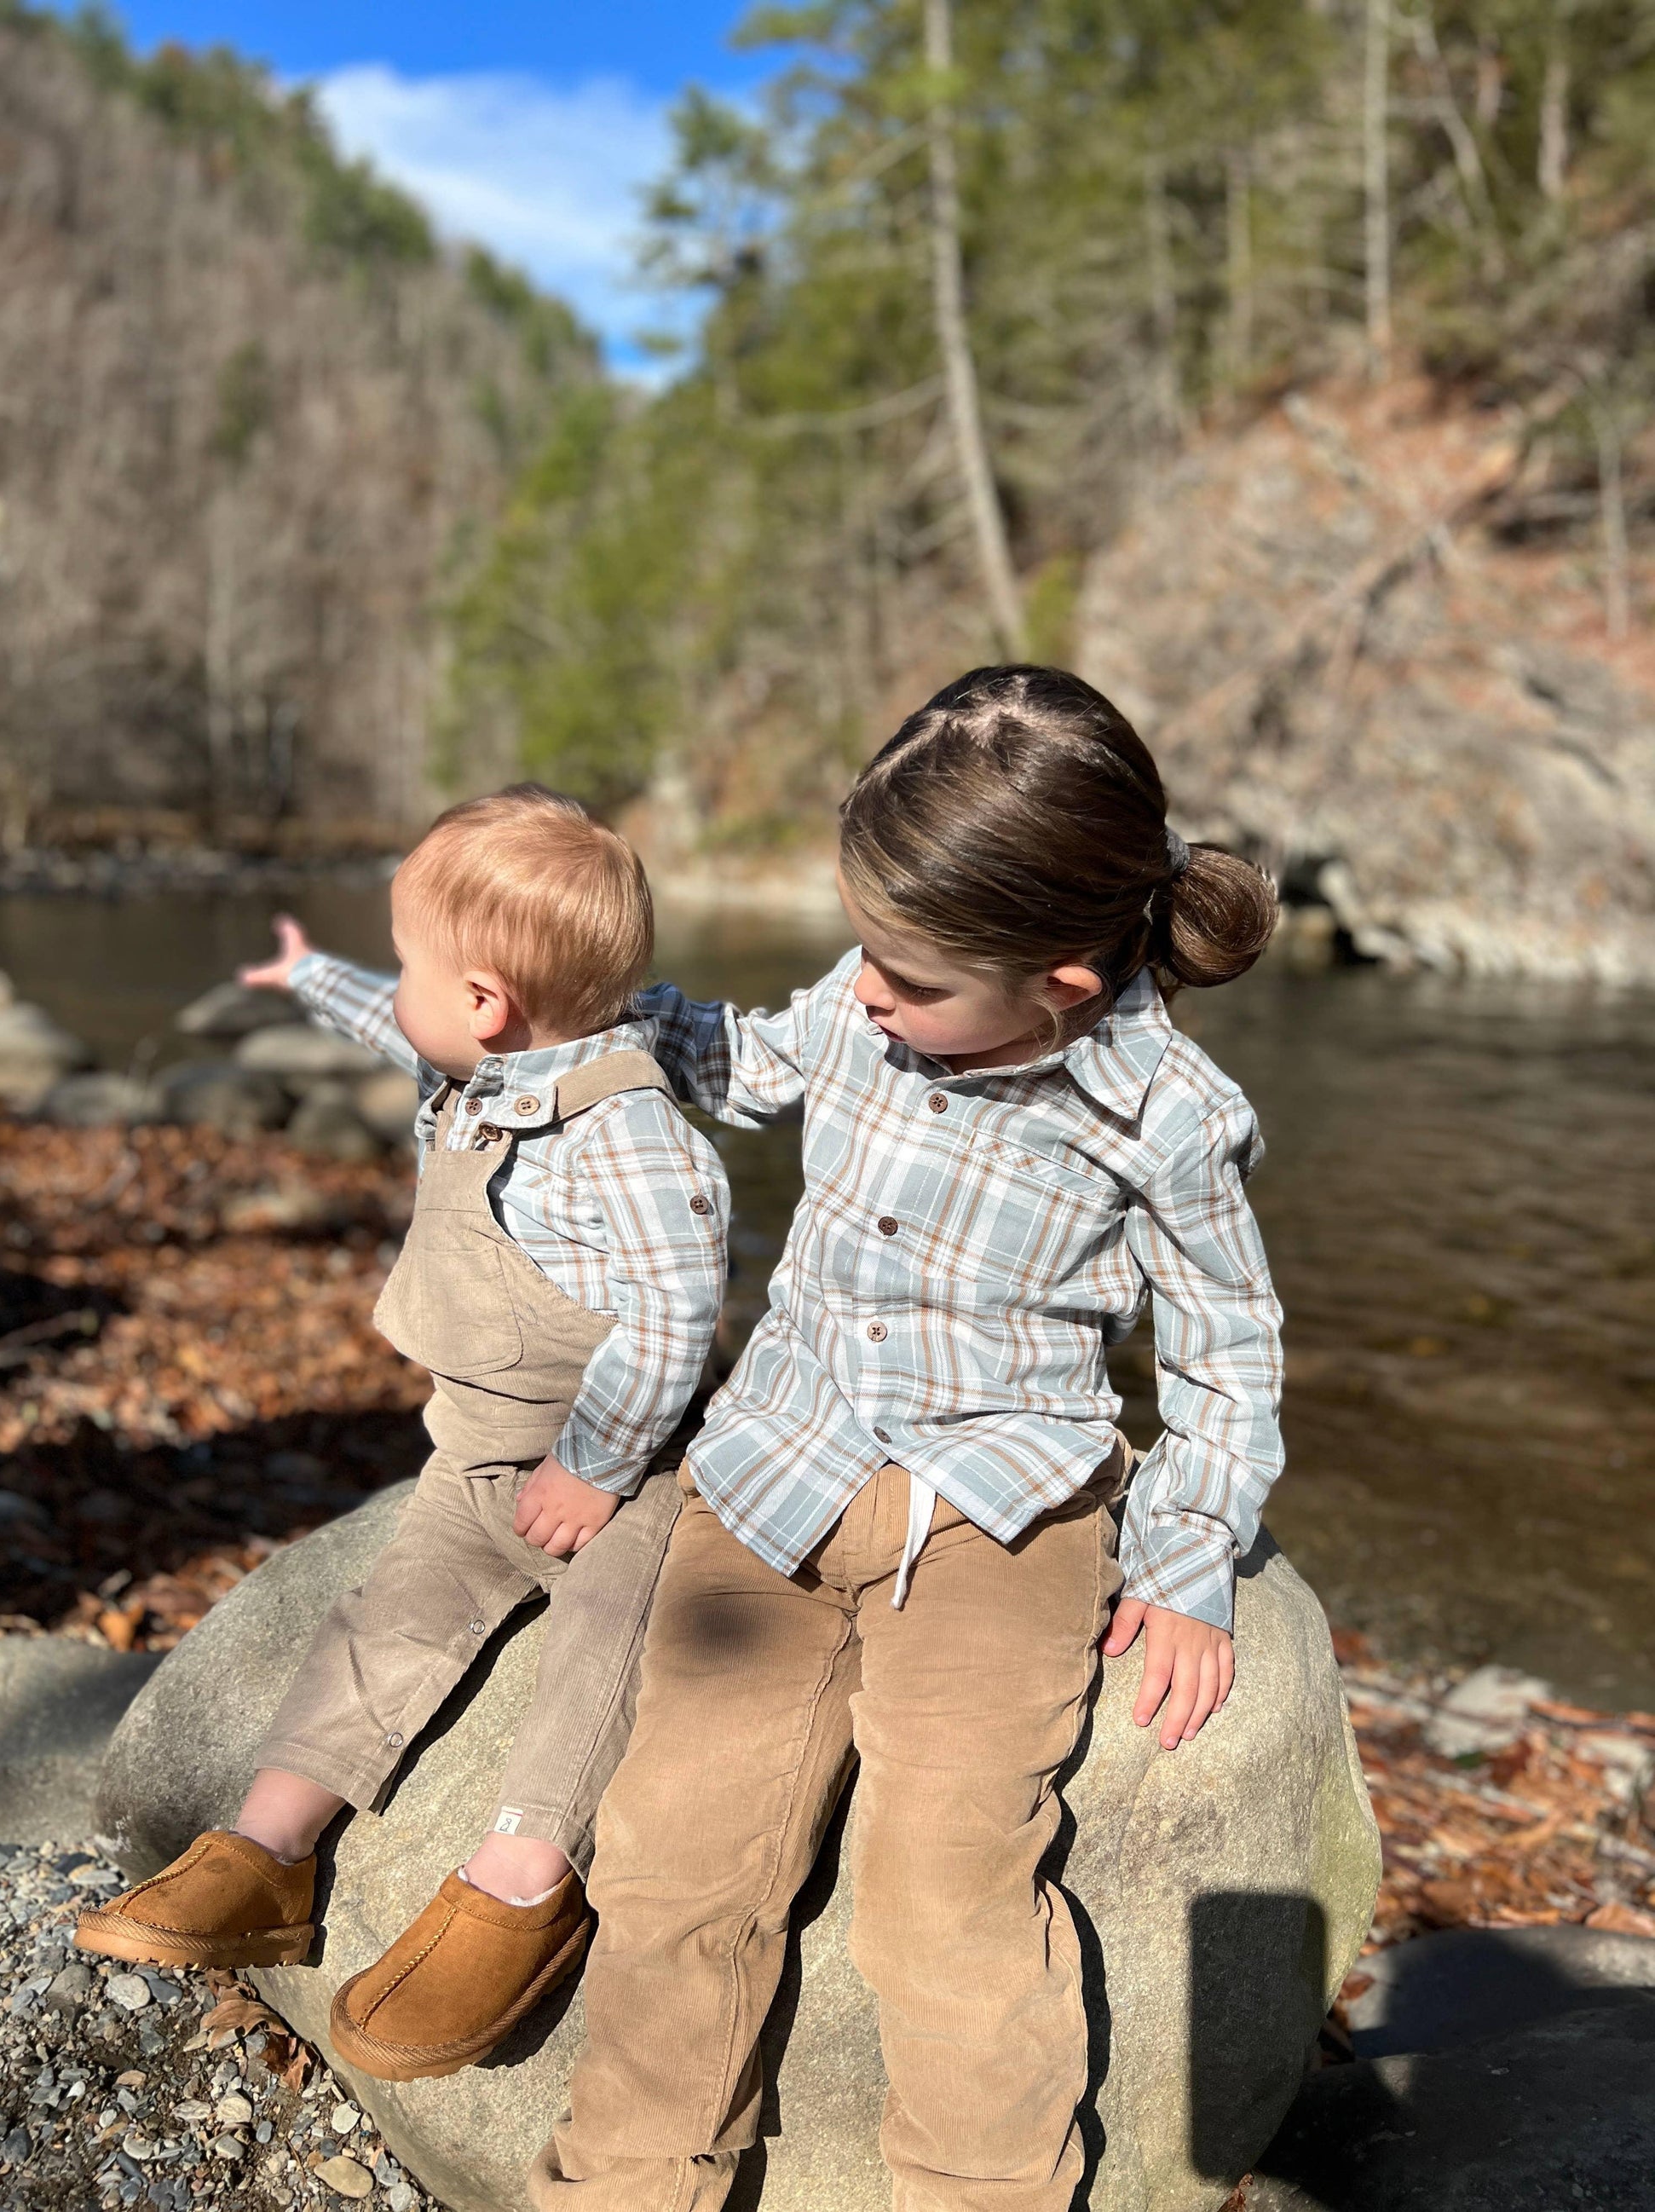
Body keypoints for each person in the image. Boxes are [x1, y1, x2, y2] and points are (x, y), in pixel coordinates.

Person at [530, 667, 1286, 2211]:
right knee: (672, 1863)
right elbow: (754, 1063)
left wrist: (1193, 1555)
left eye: (908, 977)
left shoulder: (1167, 1118)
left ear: (1063, 980)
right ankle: (620, 2186)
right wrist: (592, 1017)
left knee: (946, 1897)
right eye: (864, 953)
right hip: (771, 1476)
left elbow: (1225, 1346)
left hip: (998, 1517)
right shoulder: (870, 994)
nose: (867, 994)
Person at [76, 785, 729, 2084]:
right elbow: (398, 1019)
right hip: (479, 1446)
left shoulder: (630, 1134)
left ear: (487, 1003)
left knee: (605, 1646)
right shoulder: (478, 1063)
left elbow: (678, 1313)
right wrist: (310, 976)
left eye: (416, 962)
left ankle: (518, 1879)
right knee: (386, 1618)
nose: (402, 993)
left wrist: (596, 1467)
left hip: (632, 1463)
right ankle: (267, 1851)